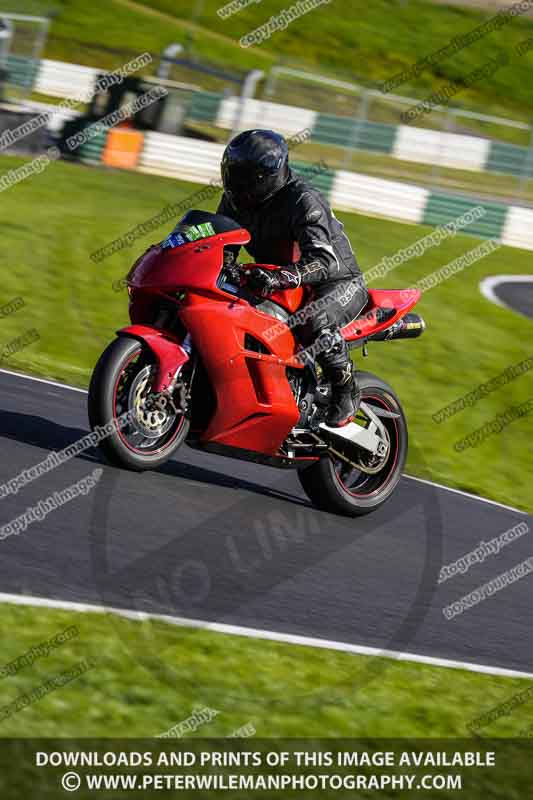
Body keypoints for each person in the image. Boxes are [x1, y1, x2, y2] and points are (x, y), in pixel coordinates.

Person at [217, 128, 368, 427]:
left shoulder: (302, 199)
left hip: (336, 282)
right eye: (233, 173)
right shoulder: (237, 199)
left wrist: (282, 277)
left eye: (244, 175)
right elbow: (222, 243)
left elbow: (324, 260)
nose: (236, 182)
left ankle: (345, 390)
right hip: (280, 283)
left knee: (316, 321)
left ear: (264, 176)